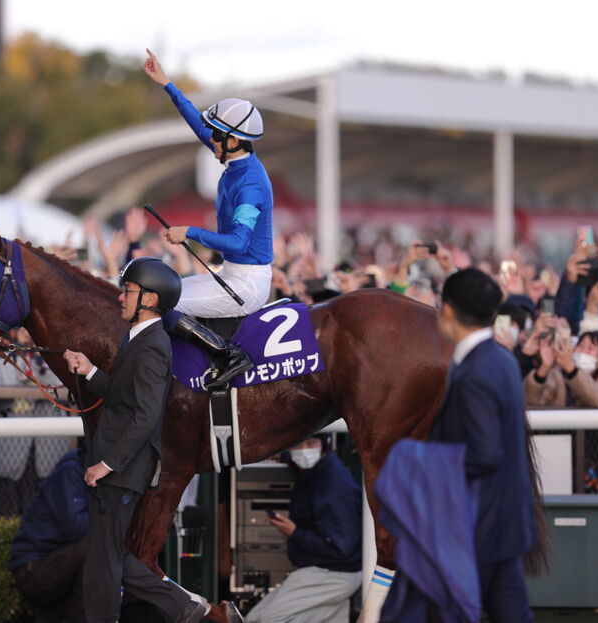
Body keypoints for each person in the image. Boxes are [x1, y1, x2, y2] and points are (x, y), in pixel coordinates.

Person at [63, 257, 242, 623]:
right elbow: (122, 396)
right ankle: (191, 609)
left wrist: (107, 464)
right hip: (119, 463)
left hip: (121, 465)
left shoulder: (154, 345)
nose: (121, 298)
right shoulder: (138, 338)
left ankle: (189, 609)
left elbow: (146, 416)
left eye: (128, 291)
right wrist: (90, 369)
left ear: (150, 300)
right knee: (108, 553)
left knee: (103, 559)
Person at [383, 268, 536, 622]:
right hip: (505, 522)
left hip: (475, 527)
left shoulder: (476, 371)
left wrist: (414, 457)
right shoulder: (501, 359)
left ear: (447, 310)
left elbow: (483, 453)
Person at [145, 49, 273, 391]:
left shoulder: (250, 185)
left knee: (160, 302)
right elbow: (197, 123)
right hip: (230, 274)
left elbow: (239, 242)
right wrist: (167, 84)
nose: (209, 137)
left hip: (246, 285)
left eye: (216, 134)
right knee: (156, 292)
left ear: (232, 140)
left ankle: (228, 355)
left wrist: (190, 231)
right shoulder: (233, 156)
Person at [246, 435, 362, 623]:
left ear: (323, 444)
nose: (303, 449)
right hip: (334, 573)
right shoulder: (317, 471)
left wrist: (294, 532)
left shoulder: (333, 486)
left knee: (265, 619)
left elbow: (340, 548)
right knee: (257, 618)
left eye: (311, 442)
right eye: (298, 443)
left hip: (333, 573)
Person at [10, 447, 88, 623]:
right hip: (34, 569)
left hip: (63, 567)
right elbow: (77, 528)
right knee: (95, 547)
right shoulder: (72, 470)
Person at [524, 330, 598, 408]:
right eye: (580, 345)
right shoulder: (557, 377)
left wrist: (571, 369)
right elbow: (531, 399)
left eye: (590, 348)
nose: (583, 350)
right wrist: (544, 368)